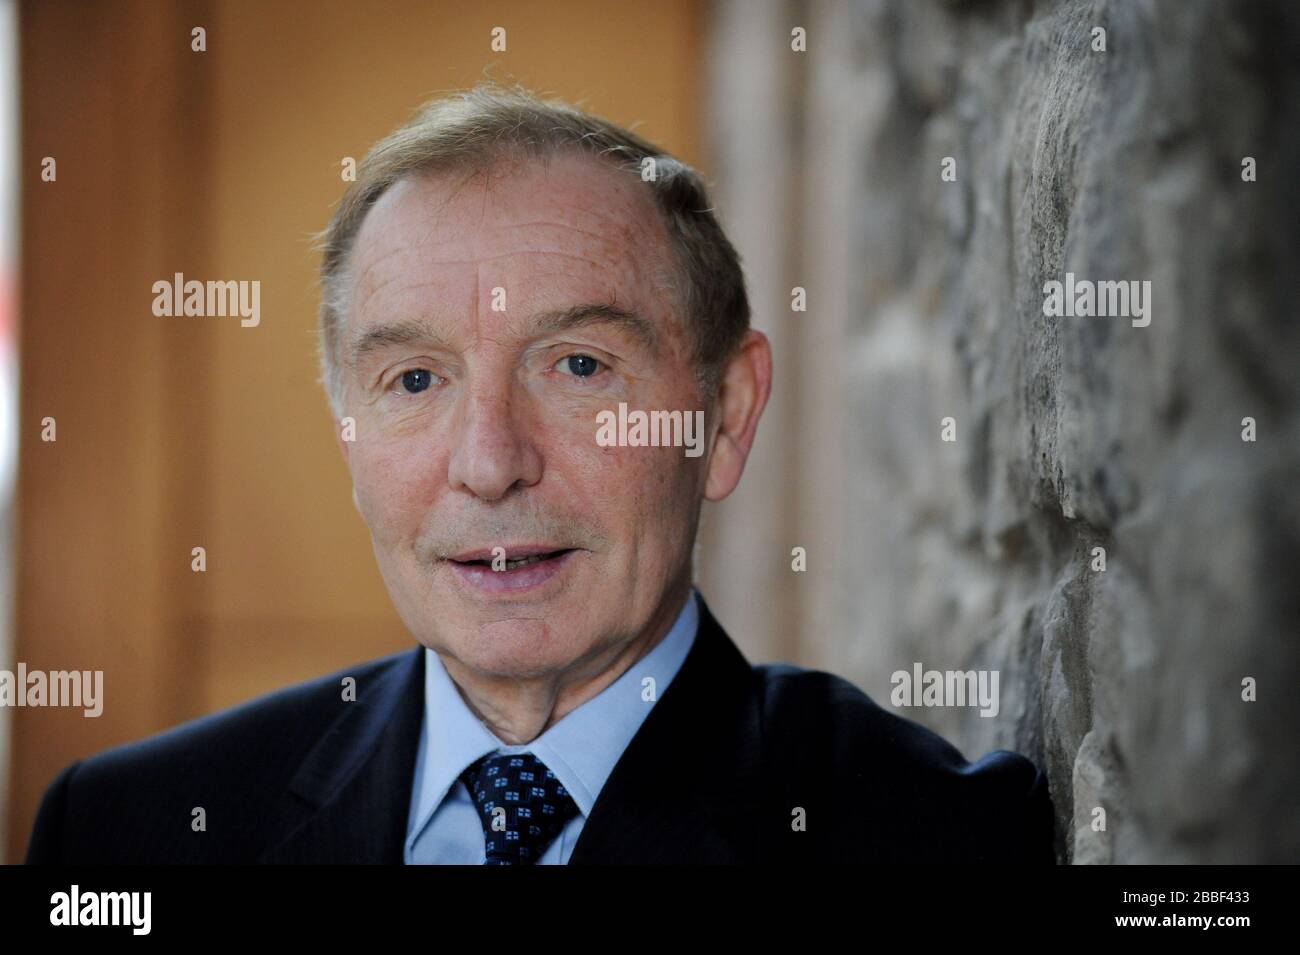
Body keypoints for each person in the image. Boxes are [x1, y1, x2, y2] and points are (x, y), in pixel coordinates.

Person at [25, 85, 1055, 864]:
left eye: (578, 367)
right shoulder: (126, 831)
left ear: (726, 414)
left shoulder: (935, 840)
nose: (489, 463)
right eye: (414, 378)